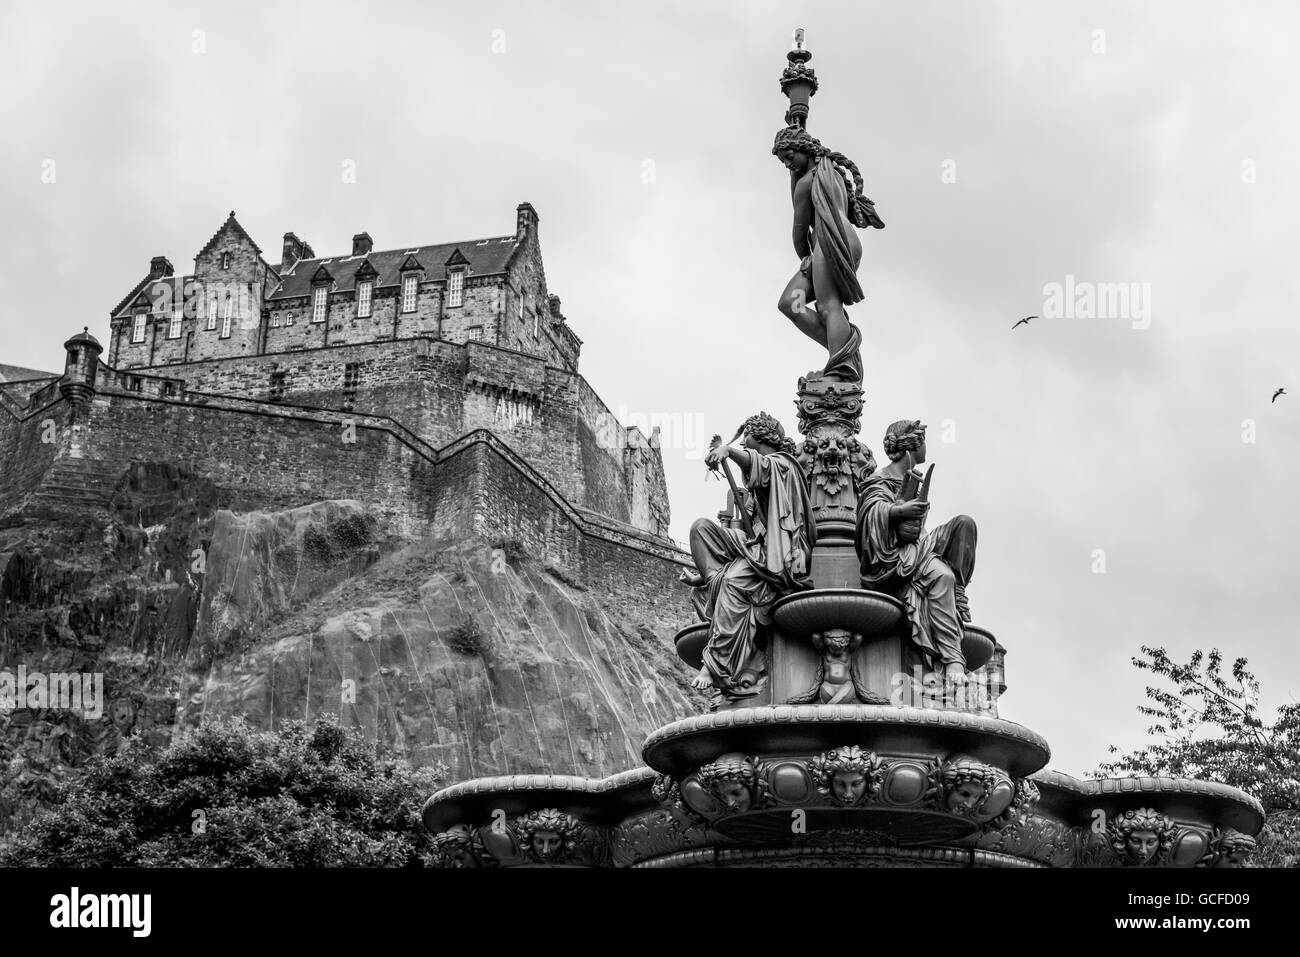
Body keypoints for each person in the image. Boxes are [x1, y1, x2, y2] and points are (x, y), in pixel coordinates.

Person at [681, 413, 815, 697]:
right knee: (701, 529)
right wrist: (702, 577)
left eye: (747, 437)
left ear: (761, 436)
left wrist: (729, 450)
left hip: (779, 555)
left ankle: (716, 664)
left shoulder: (784, 466)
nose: (743, 441)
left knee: (733, 582)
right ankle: (712, 578)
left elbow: (762, 466)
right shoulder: (760, 480)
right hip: (756, 547)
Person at [855, 420, 977, 687]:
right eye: (923, 440)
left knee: (964, 525)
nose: (925, 446)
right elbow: (869, 517)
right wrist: (900, 511)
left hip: (919, 545)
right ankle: (953, 658)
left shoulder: (914, 479)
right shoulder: (879, 479)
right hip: (894, 557)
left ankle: (958, 589)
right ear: (912, 445)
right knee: (940, 576)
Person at [772, 125, 884, 382]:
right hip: (846, 241)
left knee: (828, 305)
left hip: (828, 243)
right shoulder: (830, 171)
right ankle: (844, 353)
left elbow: (798, 232)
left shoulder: (806, 182)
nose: (788, 165)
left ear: (804, 150)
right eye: (783, 162)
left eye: (789, 158)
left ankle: (840, 369)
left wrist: (806, 257)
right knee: (791, 303)